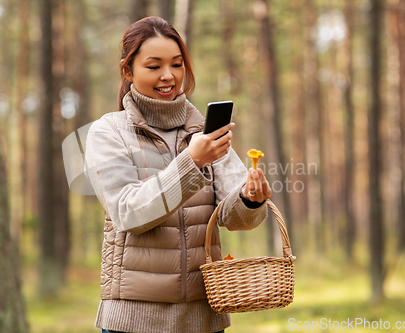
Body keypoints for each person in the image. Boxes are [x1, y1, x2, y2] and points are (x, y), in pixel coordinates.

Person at [85, 16, 272, 333]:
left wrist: (250, 200)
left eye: (177, 64)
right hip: (132, 323)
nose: (168, 76)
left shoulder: (204, 132)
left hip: (205, 319)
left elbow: (235, 219)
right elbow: (129, 213)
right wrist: (192, 162)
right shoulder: (108, 132)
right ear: (127, 71)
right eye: (154, 66)